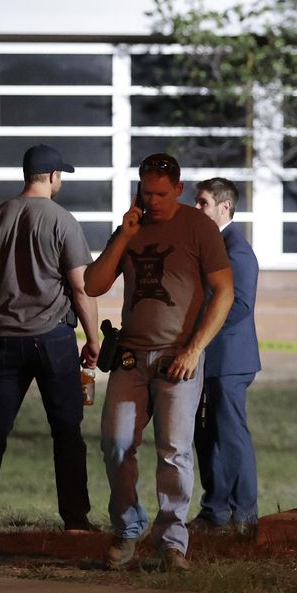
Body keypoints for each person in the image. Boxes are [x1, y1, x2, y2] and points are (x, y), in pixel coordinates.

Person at [86, 153, 233, 570]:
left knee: (174, 451)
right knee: (116, 443)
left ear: (179, 189)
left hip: (177, 358)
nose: (153, 201)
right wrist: (123, 236)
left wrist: (194, 349)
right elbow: (93, 284)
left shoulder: (199, 227)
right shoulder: (131, 227)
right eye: (146, 193)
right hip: (130, 358)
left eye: (161, 194)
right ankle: (127, 528)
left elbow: (224, 292)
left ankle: (172, 542)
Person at [0, 144, 102, 534]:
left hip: (4, 340)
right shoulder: (63, 221)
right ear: (53, 177)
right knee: (66, 431)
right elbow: (81, 288)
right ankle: (75, 519)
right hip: (53, 338)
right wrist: (92, 339)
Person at [187, 178, 261, 539]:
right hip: (206, 357)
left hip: (229, 360)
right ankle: (214, 511)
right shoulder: (209, 245)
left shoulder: (237, 251)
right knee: (206, 435)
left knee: (231, 436)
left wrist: (199, 330)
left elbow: (239, 305)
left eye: (203, 203)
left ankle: (244, 516)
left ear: (224, 207)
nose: (196, 208)